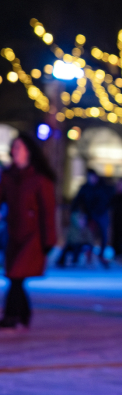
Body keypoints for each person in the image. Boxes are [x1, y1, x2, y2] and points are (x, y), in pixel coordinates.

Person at [0, 133, 56, 330]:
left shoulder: (40, 180)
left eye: (19, 148)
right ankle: (23, 313)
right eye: (13, 148)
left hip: (33, 237)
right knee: (16, 276)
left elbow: (48, 211)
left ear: (28, 152)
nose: (15, 152)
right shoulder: (8, 176)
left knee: (15, 275)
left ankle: (11, 315)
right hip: (14, 234)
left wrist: (49, 240)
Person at [71, 169, 112, 267]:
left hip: (101, 214)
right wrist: (75, 211)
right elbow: (77, 200)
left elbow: (108, 200)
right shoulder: (86, 188)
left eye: (93, 177)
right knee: (88, 235)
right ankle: (87, 253)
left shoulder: (102, 188)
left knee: (103, 235)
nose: (92, 179)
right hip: (89, 215)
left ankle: (101, 255)